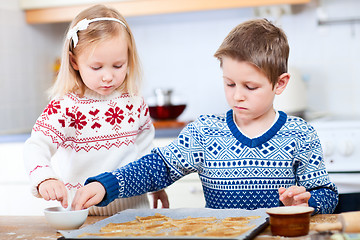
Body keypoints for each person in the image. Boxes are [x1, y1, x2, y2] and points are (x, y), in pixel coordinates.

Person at [71, 19, 338, 214]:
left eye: (250, 87)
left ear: (279, 84)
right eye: (230, 84)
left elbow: (326, 194)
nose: (237, 96)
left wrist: (307, 203)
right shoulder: (205, 132)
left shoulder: (300, 134)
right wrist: (108, 185)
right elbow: (157, 167)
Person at [23, 4, 169, 216]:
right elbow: (36, 146)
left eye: (118, 65)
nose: (108, 76)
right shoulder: (66, 106)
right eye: (97, 67)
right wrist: (45, 177)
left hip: (136, 212)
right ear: (74, 62)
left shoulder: (135, 101)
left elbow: (145, 151)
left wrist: (156, 186)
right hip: (85, 215)